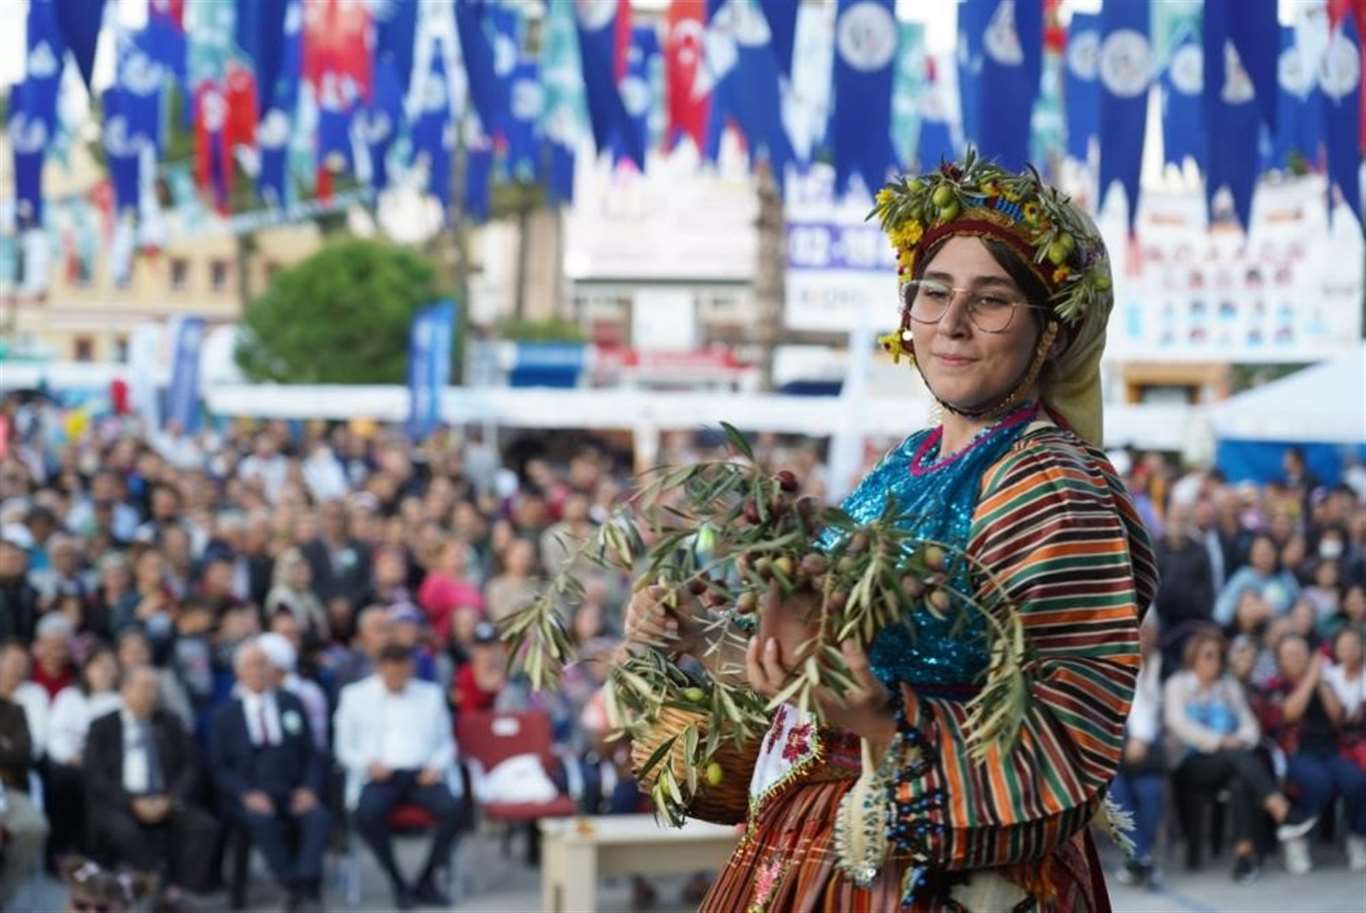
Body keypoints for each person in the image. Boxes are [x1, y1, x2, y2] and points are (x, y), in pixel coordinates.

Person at [627, 157, 1159, 910]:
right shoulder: (905, 462)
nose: (952, 322)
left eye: (994, 300)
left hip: (951, 874)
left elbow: (1066, 740)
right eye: (933, 293)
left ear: (1050, 333)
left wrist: (874, 714)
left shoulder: (1049, 486)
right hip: (817, 848)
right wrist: (699, 636)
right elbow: (817, 668)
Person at [1163, 630, 1309, 882]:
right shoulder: (1178, 684)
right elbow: (1178, 724)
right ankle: (1281, 809)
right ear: (1193, 658)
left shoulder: (1227, 685)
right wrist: (1221, 741)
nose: (1215, 661)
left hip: (1231, 762)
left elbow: (1249, 725)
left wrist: (1240, 738)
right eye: (1208, 656)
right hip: (1190, 763)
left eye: (1218, 656)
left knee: (1239, 781)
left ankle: (1244, 856)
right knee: (1237, 758)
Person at [333, 643, 461, 910]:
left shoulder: (431, 695)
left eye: (402, 672)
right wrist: (368, 765)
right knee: (366, 813)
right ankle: (397, 881)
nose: (397, 678)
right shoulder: (354, 696)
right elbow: (344, 748)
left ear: (410, 669)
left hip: (420, 774)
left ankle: (426, 879)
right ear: (380, 669)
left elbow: (446, 742)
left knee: (454, 809)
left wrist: (435, 766)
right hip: (380, 774)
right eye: (391, 673)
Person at [210, 640, 329, 912]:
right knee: (261, 822)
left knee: (317, 817)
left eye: (264, 664)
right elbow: (218, 767)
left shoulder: (291, 702)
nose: (260, 670)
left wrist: (309, 789)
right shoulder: (224, 716)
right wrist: (245, 794)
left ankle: (304, 883)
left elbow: (311, 753)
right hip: (250, 794)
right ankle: (294, 885)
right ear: (239, 672)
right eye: (253, 665)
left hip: (291, 789)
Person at [83, 666, 220, 898]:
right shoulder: (103, 726)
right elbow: (95, 776)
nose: (152, 695)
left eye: (155, 690)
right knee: (125, 832)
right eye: (145, 688)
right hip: (121, 803)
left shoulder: (170, 722)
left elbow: (190, 766)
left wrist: (171, 799)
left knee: (204, 826)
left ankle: (179, 889)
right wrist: (132, 802)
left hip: (165, 799)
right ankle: (156, 886)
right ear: (125, 690)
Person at [1262, 633, 1365, 874]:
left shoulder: (1325, 681)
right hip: (1294, 753)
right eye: (1290, 655)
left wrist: (1320, 681)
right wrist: (1310, 677)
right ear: (1280, 661)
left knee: (1358, 781)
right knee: (1318, 783)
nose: (1297, 658)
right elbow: (1290, 713)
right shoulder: (1275, 686)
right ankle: (1296, 840)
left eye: (1301, 653)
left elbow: (1338, 716)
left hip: (1331, 750)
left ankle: (1357, 837)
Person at [44, 646, 122, 866]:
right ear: (86, 670)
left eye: (110, 666)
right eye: (98, 665)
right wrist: (72, 757)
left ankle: (95, 855)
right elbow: (57, 735)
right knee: (65, 781)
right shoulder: (70, 696)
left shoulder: (121, 700)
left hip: (108, 770)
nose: (105, 671)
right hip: (73, 764)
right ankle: (60, 850)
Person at [1110, 617, 1166, 887]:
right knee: (1116, 792)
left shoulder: (1163, 667)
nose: (1144, 636)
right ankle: (1141, 858)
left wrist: (1143, 740)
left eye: (1148, 631)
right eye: (1138, 631)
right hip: (1115, 753)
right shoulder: (1111, 669)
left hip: (1152, 755)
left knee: (1151, 792)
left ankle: (1137, 860)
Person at [0, 681, 48, 910]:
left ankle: (4, 898)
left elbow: (23, 754)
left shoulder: (13, 711)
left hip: (7, 789)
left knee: (34, 826)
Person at [1214, 533, 1301, 625]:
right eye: (1259, 552)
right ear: (1251, 555)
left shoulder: (1284, 576)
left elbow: (1298, 599)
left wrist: (1268, 609)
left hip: (1281, 624)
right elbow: (1224, 607)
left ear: (1276, 553)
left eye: (1267, 552)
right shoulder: (1244, 576)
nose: (1264, 557)